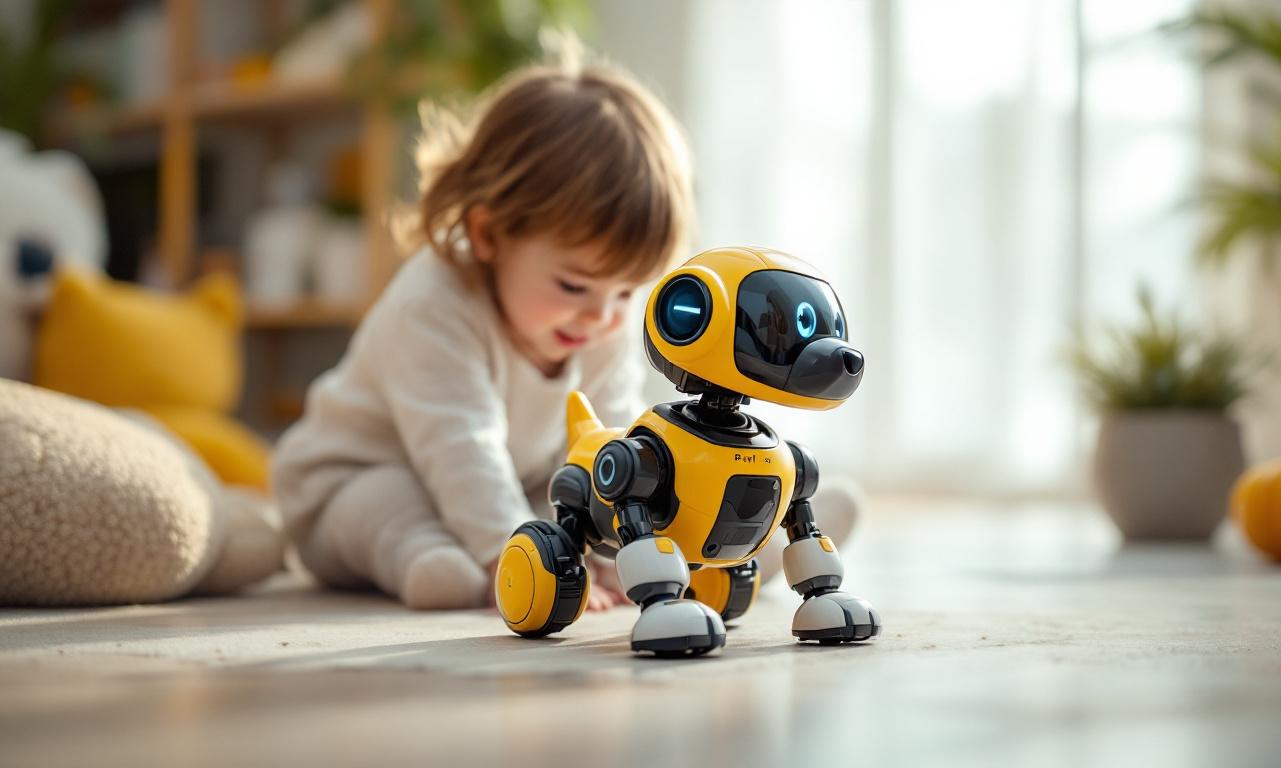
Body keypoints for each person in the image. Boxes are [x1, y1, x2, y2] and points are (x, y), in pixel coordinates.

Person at [272, 49, 859, 612]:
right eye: (574, 287)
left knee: (572, 495)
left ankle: (738, 547)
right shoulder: (431, 304)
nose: (604, 315)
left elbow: (614, 432)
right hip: (347, 483)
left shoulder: (602, 315)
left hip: (510, 484)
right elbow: (459, 447)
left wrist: (622, 533)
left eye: (628, 292)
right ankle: (432, 562)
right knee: (388, 505)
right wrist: (512, 551)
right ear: (488, 235)